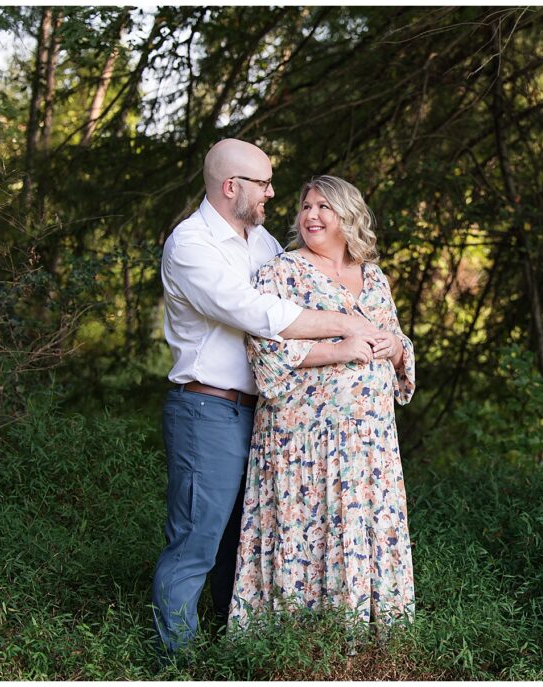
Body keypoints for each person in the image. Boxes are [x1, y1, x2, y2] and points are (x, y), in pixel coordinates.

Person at [154, 141, 383, 657]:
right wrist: (350, 325)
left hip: (261, 413)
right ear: (231, 186)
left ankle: (230, 652)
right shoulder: (191, 245)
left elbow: (300, 307)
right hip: (206, 409)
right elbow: (260, 314)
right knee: (196, 541)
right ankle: (178, 663)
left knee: (244, 540)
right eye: (263, 183)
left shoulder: (261, 245)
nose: (273, 194)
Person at [228, 175, 416, 636]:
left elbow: (399, 345)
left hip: (370, 445)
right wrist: (341, 349)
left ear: (347, 215)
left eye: (322, 207)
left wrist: (393, 346)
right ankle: (297, 649)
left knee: (362, 528)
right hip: (302, 441)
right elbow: (264, 350)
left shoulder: (374, 277)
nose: (310, 215)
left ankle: (373, 647)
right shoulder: (281, 271)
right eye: (305, 206)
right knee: (307, 531)